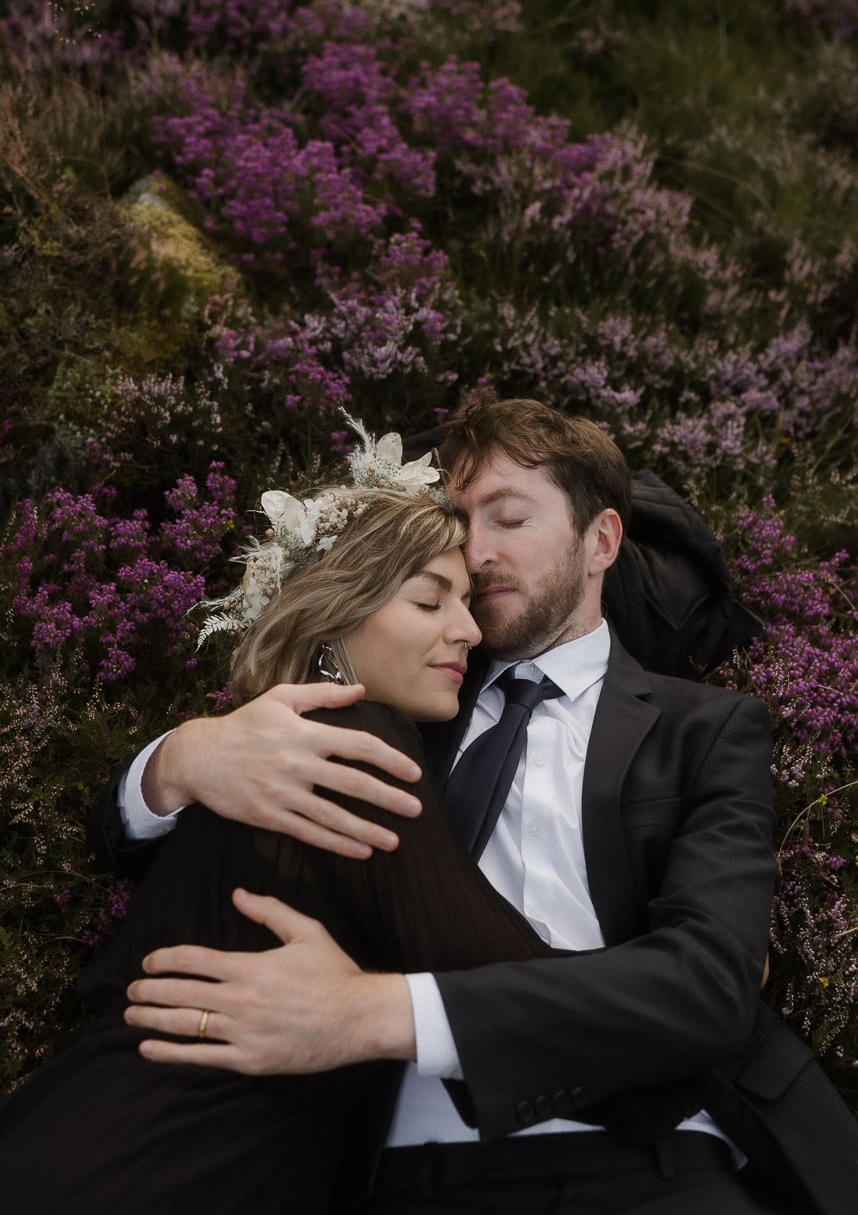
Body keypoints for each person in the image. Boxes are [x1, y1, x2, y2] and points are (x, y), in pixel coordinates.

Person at [93, 400, 858, 1215]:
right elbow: (191, 863)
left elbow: (711, 983)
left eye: (510, 518)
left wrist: (376, 1012)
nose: (478, 550)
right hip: (400, 1168)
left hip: (659, 1153)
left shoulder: (704, 729)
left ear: (601, 541)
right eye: (459, 522)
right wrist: (178, 762)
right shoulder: (399, 699)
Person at [0, 429, 599, 1214]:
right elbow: (500, 976)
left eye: (464, 601)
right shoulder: (350, 745)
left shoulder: (266, 755)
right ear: (335, 615)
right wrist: (688, 1030)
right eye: (429, 601)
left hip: (107, 1141)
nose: (470, 631)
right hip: (149, 1166)